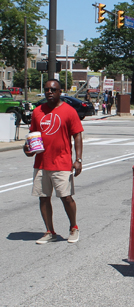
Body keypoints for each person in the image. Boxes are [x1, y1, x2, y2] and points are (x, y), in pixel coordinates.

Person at [23, 79, 83, 244]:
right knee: (43, 197)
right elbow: (33, 136)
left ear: (60, 91)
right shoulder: (37, 112)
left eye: (53, 89)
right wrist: (27, 148)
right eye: (47, 89)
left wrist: (78, 159)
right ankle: (50, 231)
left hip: (62, 162)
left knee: (66, 197)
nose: (49, 92)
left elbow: (77, 135)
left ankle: (73, 227)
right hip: (41, 162)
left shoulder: (69, 111)